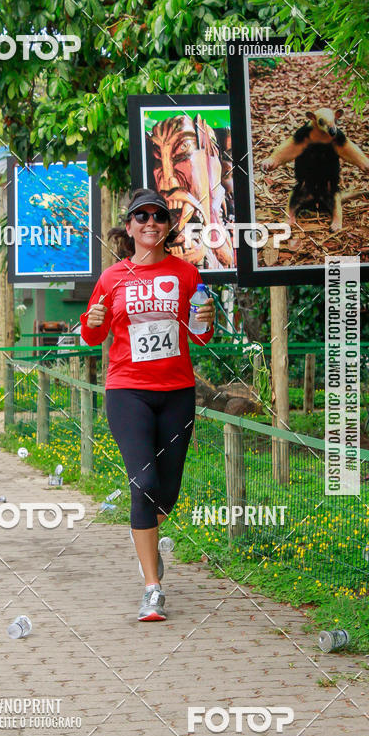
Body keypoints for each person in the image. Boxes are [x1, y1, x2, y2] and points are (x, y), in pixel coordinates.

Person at [80, 189, 215, 621]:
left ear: (168, 225)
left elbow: (200, 336)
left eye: (159, 216)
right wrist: (91, 321)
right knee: (143, 482)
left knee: (166, 491)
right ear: (130, 226)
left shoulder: (187, 274)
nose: (150, 223)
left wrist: (206, 322)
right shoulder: (111, 278)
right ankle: (152, 587)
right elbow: (92, 336)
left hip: (177, 392)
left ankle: (148, 541)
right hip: (128, 391)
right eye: (142, 217)